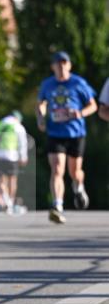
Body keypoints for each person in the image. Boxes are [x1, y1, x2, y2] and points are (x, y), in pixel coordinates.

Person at [37, 50, 97, 223]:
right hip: (55, 132)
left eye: (64, 63)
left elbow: (93, 105)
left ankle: (78, 187)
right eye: (58, 63)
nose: (61, 66)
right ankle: (57, 206)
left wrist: (80, 113)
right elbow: (41, 104)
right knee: (57, 169)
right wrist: (41, 117)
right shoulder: (47, 84)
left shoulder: (78, 83)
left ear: (69, 65)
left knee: (75, 171)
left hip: (75, 133)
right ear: (53, 67)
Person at [0, 109, 28, 213]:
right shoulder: (18, 126)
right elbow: (22, 143)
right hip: (11, 156)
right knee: (12, 180)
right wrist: (23, 157)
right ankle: (10, 202)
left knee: (0, 181)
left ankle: (5, 200)